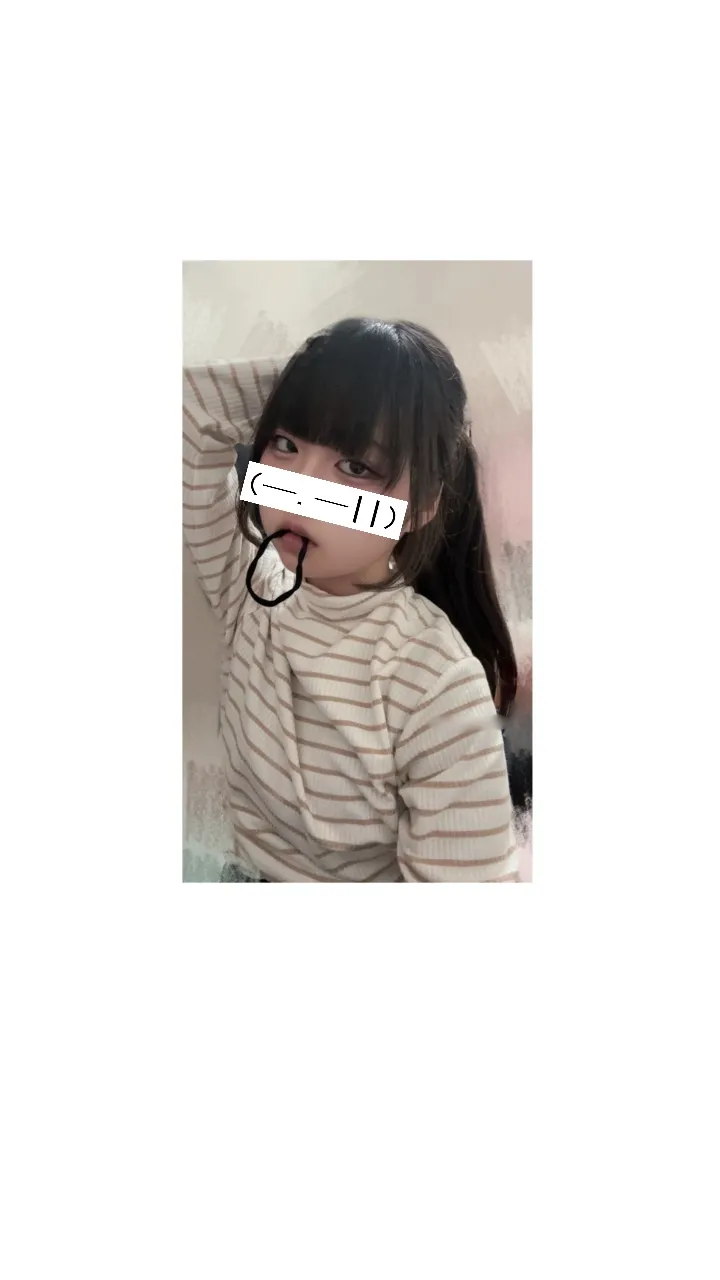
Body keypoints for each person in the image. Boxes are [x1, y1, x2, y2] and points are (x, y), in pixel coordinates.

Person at [183, 317, 521, 882]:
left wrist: (392, 399)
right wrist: (326, 378)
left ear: (420, 508)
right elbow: (189, 409)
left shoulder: (435, 681)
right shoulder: (249, 582)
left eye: (356, 466)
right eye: (285, 445)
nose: (300, 494)